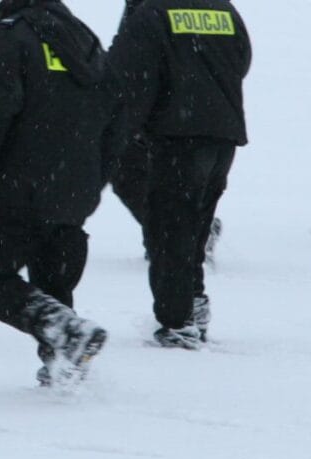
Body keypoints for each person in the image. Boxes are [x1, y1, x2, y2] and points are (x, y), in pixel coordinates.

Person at [0, 0, 114, 388]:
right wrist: (93, 179)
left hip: (19, 186)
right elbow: (116, 118)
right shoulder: (88, 43)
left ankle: (65, 334)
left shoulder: (12, 41)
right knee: (53, 281)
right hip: (74, 192)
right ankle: (64, 362)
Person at [108, 0, 252, 350]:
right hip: (222, 135)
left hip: (177, 137)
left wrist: (126, 126)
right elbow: (242, 58)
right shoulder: (223, 9)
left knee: (169, 234)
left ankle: (177, 323)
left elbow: (127, 75)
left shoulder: (152, 13)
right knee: (194, 228)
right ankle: (194, 306)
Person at [110, 0, 224, 266]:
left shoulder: (151, 10)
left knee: (133, 170)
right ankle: (183, 234)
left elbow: (128, 55)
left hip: (166, 106)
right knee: (150, 174)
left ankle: (179, 237)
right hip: (202, 105)